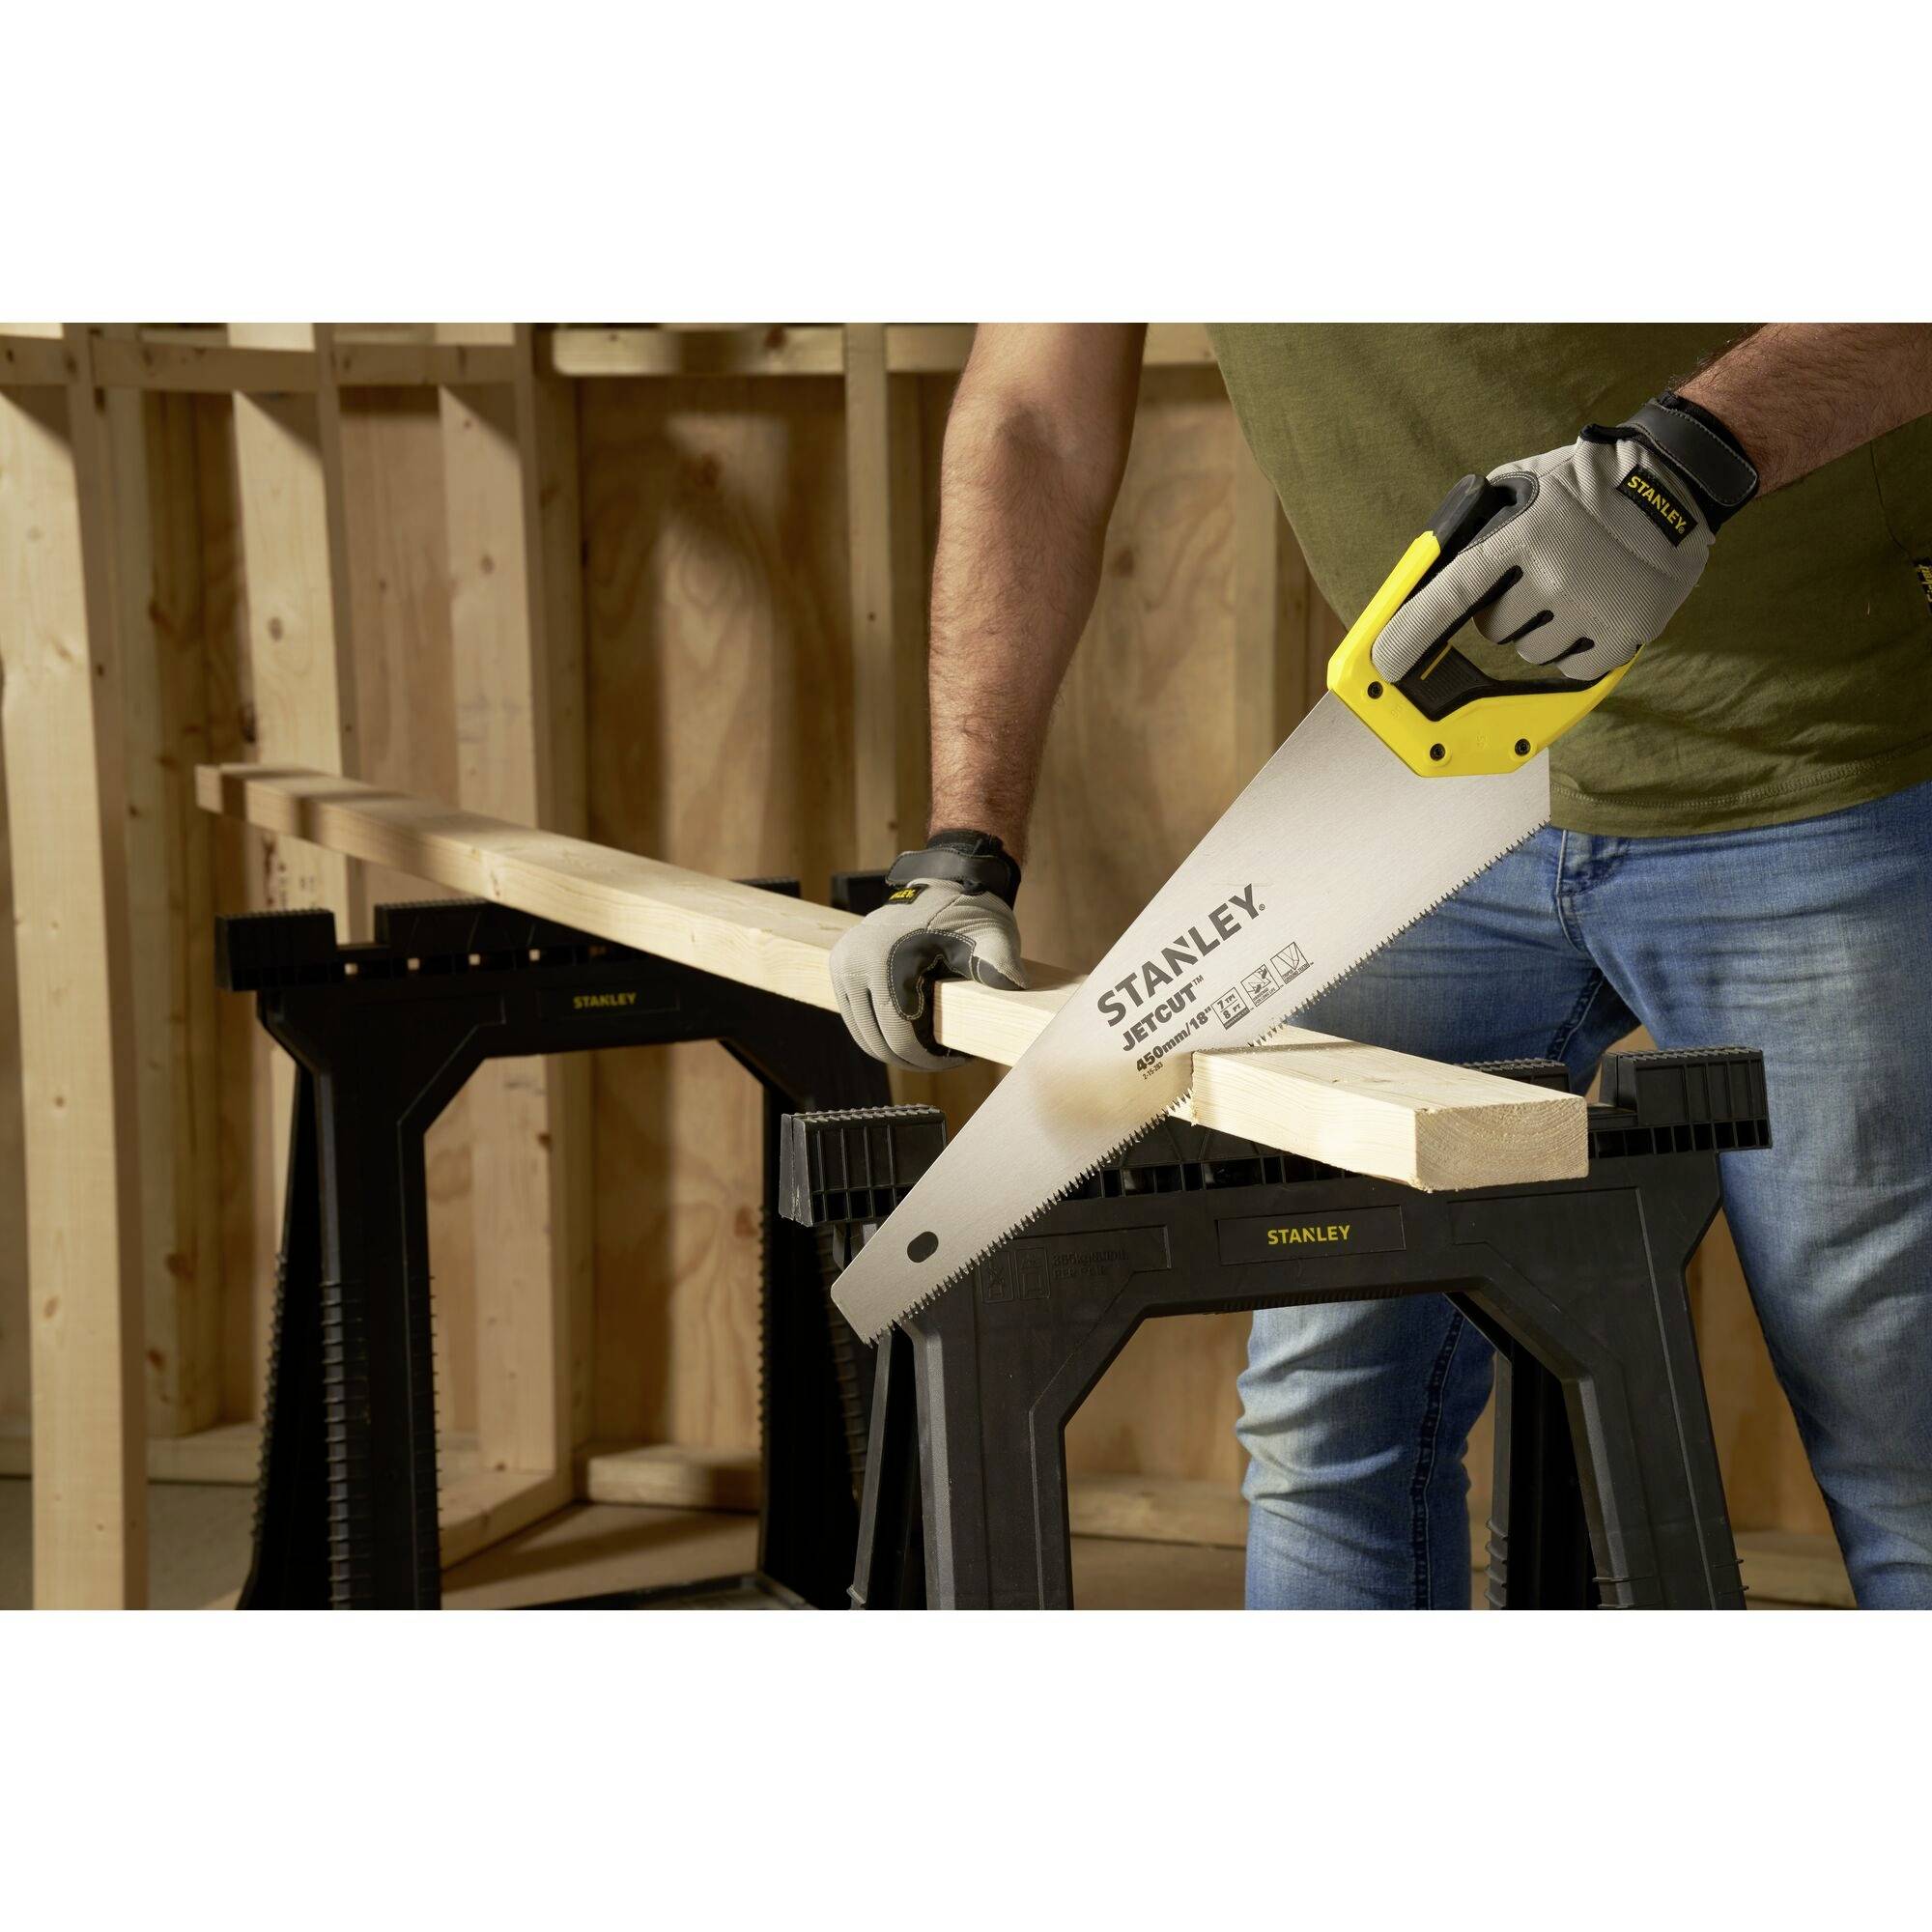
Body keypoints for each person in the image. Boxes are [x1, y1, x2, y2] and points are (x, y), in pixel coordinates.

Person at [828, 324, 1932, 1608]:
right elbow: (1031, 418)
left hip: (1824, 764)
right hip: (1432, 788)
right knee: (1327, 1422)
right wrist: (964, 845)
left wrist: (1685, 460)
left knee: (1901, 1436)